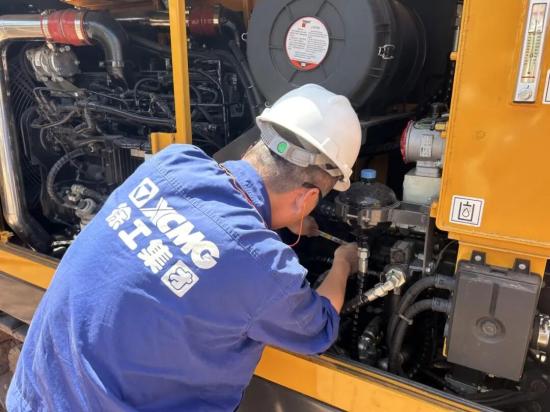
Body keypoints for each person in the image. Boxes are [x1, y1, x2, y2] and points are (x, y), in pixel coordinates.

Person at [7, 84, 362, 411]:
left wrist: (279, 221)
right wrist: (342, 263)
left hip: (37, 393)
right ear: (307, 199)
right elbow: (318, 326)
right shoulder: (266, 268)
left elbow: (214, 226)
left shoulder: (173, 161)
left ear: (256, 145)